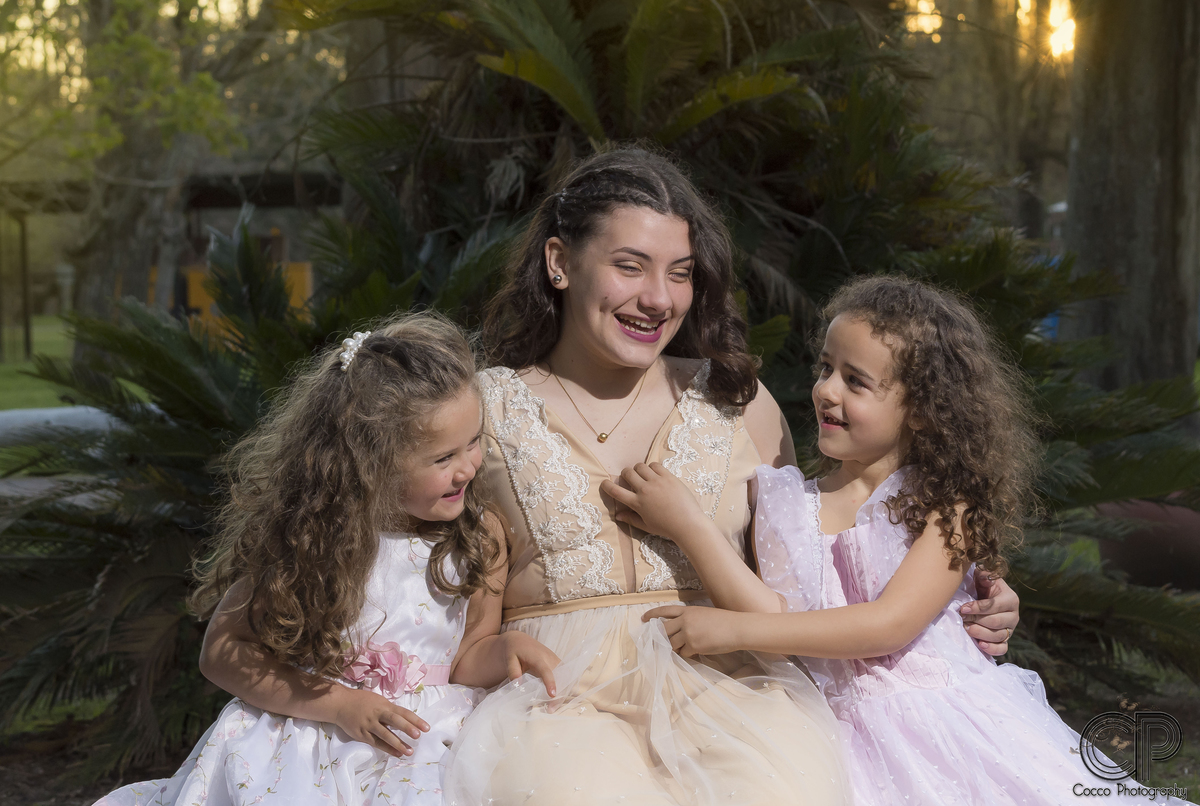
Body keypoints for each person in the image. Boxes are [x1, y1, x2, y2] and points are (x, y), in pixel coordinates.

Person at [442, 149, 1021, 806]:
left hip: (727, 688)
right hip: (555, 700)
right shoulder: (479, 410)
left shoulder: (738, 403)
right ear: (559, 263)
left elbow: (818, 565)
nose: (657, 298)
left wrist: (960, 600)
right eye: (629, 265)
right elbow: (399, 572)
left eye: (680, 273)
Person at [609, 276, 1191, 805]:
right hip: (825, 731)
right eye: (824, 368)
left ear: (921, 412)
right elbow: (777, 613)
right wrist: (691, 527)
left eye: (855, 381)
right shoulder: (784, 501)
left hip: (943, 729)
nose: (825, 391)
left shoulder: (946, 508)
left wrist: (735, 630)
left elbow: (889, 624)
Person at [95, 312, 558, 806]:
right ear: (370, 461)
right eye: (443, 458)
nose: (468, 466)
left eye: (474, 441)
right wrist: (339, 704)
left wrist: (506, 649)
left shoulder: (478, 538)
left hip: (421, 745)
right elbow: (223, 651)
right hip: (307, 741)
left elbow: (466, 657)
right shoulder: (316, 537)